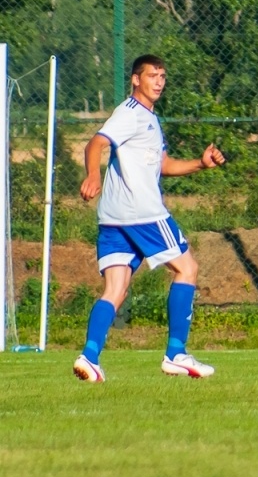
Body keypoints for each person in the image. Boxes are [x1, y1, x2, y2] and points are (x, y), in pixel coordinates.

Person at [73, 54, 227, 382]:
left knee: (115, 288)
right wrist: (93, 176)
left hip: (113, 217)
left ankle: (89, 356)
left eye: (162, 76)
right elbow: (96, 143)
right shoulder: (131, 113)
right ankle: (176, 353)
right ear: (135, 79)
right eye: (152, 75)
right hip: (141, 212)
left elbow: (163, 165)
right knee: (188, 268)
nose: (158, 81)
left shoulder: (150, 120)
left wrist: (200, 164)